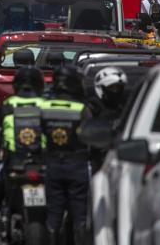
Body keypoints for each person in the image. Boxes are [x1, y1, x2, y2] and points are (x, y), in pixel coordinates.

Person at [0, 66, 46, 244]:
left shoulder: (8, 105)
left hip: (13, 163)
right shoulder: (46, 105)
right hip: (43, 163)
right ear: (40, 85)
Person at [41, 66, 91, 245]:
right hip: (77, 166)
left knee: (53, 214)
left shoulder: (44, 106)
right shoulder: (81, 109)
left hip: (52, 164)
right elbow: (91, 137)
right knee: (80, 217)